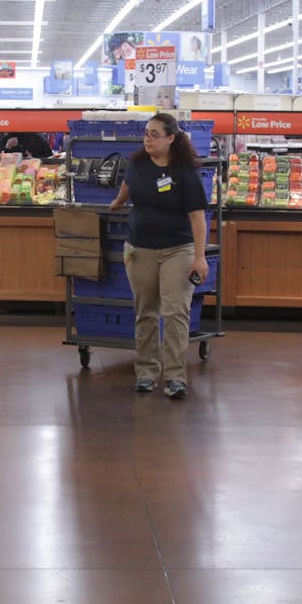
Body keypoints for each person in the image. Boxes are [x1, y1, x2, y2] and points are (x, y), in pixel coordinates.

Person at [108, 113, 209, 399]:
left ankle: (176, 377)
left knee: (175, 312)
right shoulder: (138, 163)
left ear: (171, 138)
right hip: (139, 248)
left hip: (178, 249)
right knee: (145, 312)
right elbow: (128, 184)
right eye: (146, 133)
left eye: (154, 134)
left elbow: (197, 216)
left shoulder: (185, 171)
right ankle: (147, 373)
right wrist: (118, 202)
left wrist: (199, 258)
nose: (147, 138)